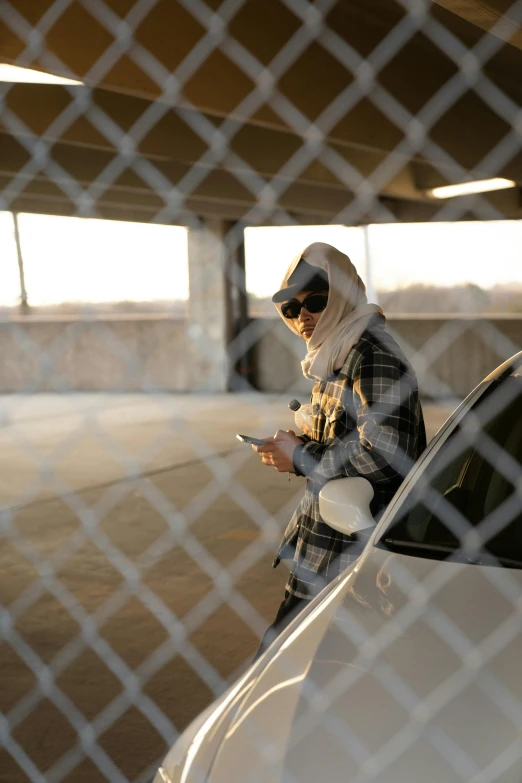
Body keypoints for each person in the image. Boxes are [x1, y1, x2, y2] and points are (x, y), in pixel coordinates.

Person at [252, 242, 426, 659]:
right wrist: (301, 443)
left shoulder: (371, 356)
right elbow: (354, 441)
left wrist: (301, 458)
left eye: (314, 300)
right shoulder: (337, 353)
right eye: (291, 311)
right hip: (325, 552)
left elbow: (386, 456)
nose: (303, 317)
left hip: (350, 563)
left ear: (345, 294)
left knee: (275, 674)